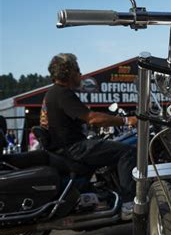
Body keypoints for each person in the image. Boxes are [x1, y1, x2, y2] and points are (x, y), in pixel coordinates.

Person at [40, 53, 138, 220]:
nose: (80, 74)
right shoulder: (63, 94)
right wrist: (126, 120)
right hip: (74, 148)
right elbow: (92, 118)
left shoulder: (52, 93)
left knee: (109, 147)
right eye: (77, 70)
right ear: (68, 72)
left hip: (64, 148)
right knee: (126, 151)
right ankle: (129, 204)